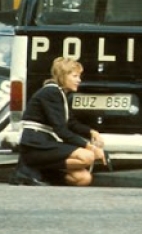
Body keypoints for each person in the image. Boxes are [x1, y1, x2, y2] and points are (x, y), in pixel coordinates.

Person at [9, 57, 106, 186]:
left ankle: (38, 173)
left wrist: (92, 132)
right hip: (35, 144)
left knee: (83, 178)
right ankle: (26, 168)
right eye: (75, 76)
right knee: (88, 157)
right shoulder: (51, 92)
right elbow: (61, 130)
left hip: (46, 142)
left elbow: (71, 122)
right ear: (63, 76)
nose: (79, 80)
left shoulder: (59, 93)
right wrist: (90, 147)